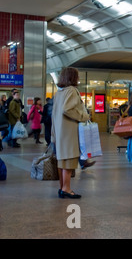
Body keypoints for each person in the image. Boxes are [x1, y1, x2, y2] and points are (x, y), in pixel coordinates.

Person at [52, 67, 90, 199]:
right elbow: (67, 109)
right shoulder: (72, 91)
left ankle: (62, 188)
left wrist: (53, 134)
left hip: (59, 132)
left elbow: (54, 114)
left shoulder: (59, 93)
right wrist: (83, 116)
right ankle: (67, 189)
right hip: (69, 132)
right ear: (73, 77)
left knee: (62, 162)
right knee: (69, 161)